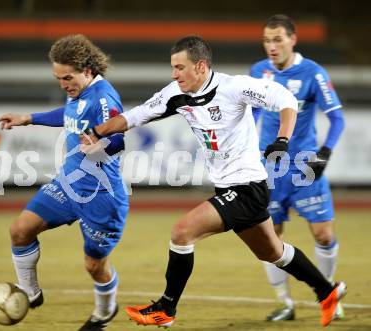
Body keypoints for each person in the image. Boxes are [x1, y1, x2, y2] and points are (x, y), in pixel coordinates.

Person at [80, 35, 346, 328]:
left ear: (201, 66)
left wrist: (282, 139)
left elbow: (284, 99)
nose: (174, 74)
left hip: (246, 187)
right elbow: (135, 116)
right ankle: (327, 290)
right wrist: (97, 131)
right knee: (272, 251)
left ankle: (166, 308)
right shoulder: (175, 93)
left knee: (182, 232)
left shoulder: (234, 87)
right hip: (229, 187)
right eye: (173, 67)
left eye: (180, 67)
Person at [0, 34, 129, 331]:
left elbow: (119, 137)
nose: (63, 84)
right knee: (20, 230)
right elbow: (68, 116)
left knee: (94, 266)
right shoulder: (77, 92)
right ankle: (29, 292)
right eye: (58, 78)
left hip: (100, 196)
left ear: (87, 70)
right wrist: (28, 118)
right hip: (68, 184)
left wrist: (101, 146)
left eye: (67, 77)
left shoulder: (104, 99)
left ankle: (106, 311)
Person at [250, 14, 346, 322]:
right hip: (269, 168)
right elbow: (249, 115)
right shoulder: (258, 72)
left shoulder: (313, 73)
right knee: (269, 238)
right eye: (267, 40)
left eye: (278, 39)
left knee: (322, 234)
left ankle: (329, 295)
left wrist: (324, 154)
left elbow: (337, 118)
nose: (271, 46)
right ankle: (284, 303)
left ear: (293, 39)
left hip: (305, 166)